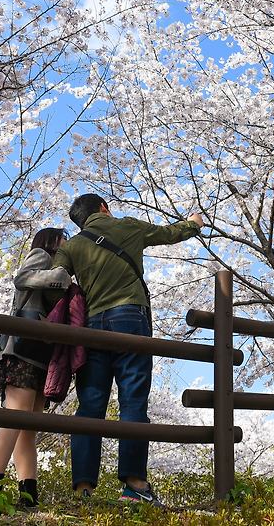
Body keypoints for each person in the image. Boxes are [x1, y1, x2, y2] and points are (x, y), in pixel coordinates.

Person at [54, 194, 204, 505]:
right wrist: (193, 225)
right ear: (103, 208)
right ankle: (135, 486)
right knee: (133, 400)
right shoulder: (128, 227)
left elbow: (55, 279)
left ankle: (84, 490)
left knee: (90, 405)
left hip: (91, 325)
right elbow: (169, 233)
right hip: (129, 318)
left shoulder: (72, 246)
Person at [0, 227, 72, 508]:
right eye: (63, 240)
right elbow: (21, 279)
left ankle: (28, 495)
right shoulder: (42, 256)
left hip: (40, 354)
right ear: (52, 241)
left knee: (28, 427)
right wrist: (61, 278)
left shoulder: (59, 267)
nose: (67, 245)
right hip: (21, 351)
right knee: (16, 417)